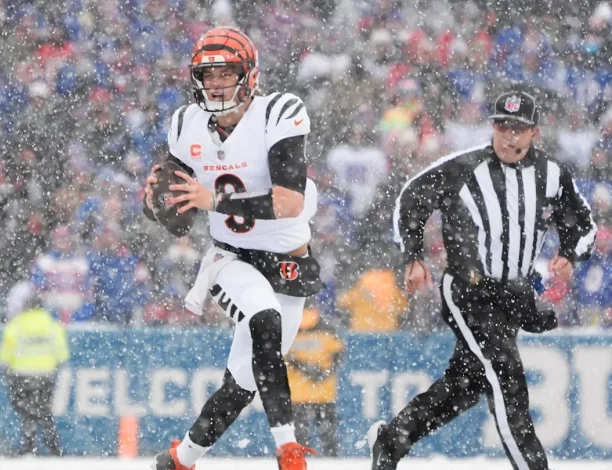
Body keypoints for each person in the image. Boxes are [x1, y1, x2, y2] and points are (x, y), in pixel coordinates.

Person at [370, 90, 597, 470]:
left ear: (534, 134)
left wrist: (570, 253)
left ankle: (391, 442)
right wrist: (413, 256)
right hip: (469, 290)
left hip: (513, 297)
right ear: (492, 126)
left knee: (466, 384)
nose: (510, 136)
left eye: (519, 129)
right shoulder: (463, 168)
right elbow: (412, 198)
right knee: (507, 377)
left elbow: (583, 222)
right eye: (503, 127)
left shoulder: (552, 174)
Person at [143, 26, 323, 470]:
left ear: (250, 75)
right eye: (209, 74)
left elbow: (288, 202)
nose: (217, 84)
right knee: (264, 320)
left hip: (289, 264)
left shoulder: (279, 112)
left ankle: (179, 460)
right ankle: (288, 447)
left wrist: (213, 200)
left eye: (227, 73)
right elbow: (177, 215)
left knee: (241, 384)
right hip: (232, 258)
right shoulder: (186, 124)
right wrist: (153, 202)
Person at [0, 291, 69, 456]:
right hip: (45, 375)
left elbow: (6, 353)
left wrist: (6, 370)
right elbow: (62, 354)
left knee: (26, 413)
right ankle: (54, 448)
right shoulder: (52, 325)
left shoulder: (16, 325)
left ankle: (29, 447)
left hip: (22, 374)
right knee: (45, 412)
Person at [287, 305, 344, 457]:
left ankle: (299, 463)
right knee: (328, 438)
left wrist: (302, 366)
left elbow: (281, 356)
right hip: (323, 392)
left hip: (297, 393)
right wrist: (322, 373)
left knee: (299, 439)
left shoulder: (287, 331)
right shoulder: (327, 332)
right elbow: (338, 358)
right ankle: (333, 463)